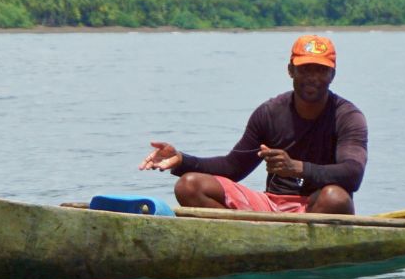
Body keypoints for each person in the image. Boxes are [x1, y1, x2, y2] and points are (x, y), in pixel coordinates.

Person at [139, 34, 367, 215]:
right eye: (305, 69)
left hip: (318, 207)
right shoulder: (270, 113)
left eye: (321, 70)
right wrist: (181, 160)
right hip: (271, 206)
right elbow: (233, 167)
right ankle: (248, 237)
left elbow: (353, 174)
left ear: (332, 75)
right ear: (291, 71)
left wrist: (297, 168)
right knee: (188, 185)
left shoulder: (347, 117)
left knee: (335, 198)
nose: (313, 77)